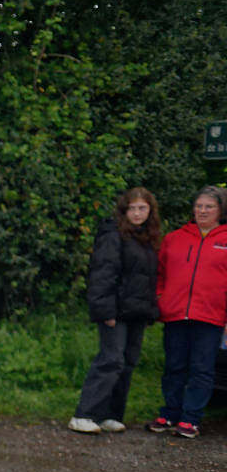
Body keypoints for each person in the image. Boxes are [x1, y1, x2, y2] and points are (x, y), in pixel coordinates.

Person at [68, 188, 160, 434]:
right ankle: (84, 414)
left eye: (142, 208)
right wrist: (105, 310)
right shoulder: (113, 235)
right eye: (132, 208)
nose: (137, 213)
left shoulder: (148, 238)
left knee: (127, 363)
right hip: (115, 311)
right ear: (124, 210)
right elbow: (103, 274)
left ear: (150, 211)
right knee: (111, 360)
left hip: (137, 312)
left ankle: (109, 414)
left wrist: (150, 310)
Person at [150, 186, 227, 438]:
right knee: (174, 366)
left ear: (220, 210)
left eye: (209, 207)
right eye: (199, 206)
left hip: (211, 316)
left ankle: (190, 419)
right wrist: (161, 297)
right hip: (175, 314)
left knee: (201, 369)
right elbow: (159, 272)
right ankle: (170, 413)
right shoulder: (174, 238)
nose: (202, 211)